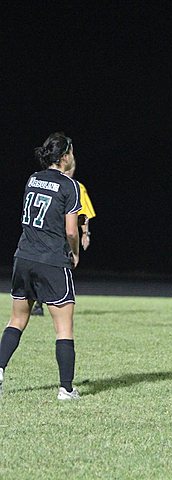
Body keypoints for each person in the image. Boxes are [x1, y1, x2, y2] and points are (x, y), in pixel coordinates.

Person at [0, 132, 82, 400]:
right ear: (65, 155)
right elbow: (71, 231)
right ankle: (66, 389)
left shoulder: (33, 179)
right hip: (52, 261)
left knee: (17, 320)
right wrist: (75, 252)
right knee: (64, 328)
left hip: (23, 256)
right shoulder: (70, 186)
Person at [31, 165, 96, 316]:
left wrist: (86, 233)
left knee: (49, 270)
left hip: (53, 237)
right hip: (51, 236)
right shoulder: (59, 184)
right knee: (48, 270)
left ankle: (43, 302)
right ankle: (45, 302)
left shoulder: (76, 186)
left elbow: (84, 214)